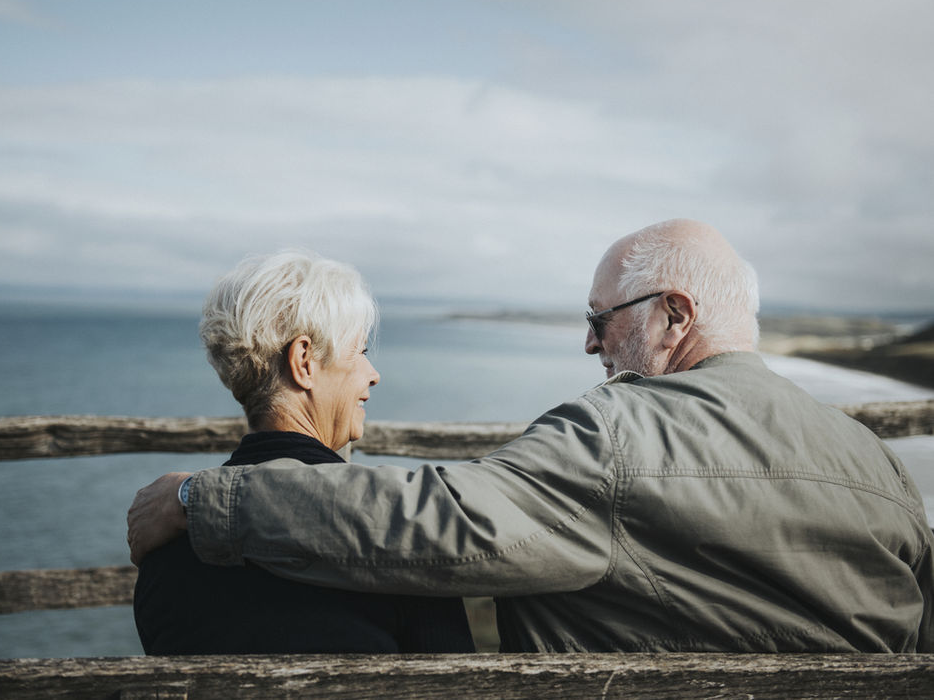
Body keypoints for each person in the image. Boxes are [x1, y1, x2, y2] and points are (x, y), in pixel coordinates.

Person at [129, 219, 934, 652]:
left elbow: (444, 526)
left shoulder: (620, 433)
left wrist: (206, 499)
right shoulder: (878, 463)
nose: (589, 345)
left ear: (675, 315)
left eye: (601, 320)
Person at [132, 251, 474, 655]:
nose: (373, 374)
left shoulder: (163, 549)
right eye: (361, 351)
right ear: (304, 362)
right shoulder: (400, 538)